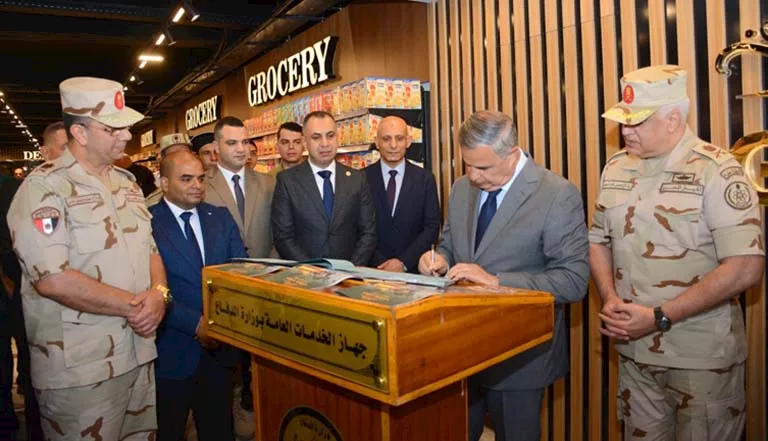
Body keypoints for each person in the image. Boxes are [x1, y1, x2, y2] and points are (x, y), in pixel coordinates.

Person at [590, 65, 765, 440]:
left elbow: (746, 267)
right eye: (623, 120)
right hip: (635, 354)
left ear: (672, 119)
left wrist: (659, 317)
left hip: (700, 359)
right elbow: (598, 240)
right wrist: (610, 298)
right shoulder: (616, 167)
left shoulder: (716, 170)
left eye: (637, 122)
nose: (625, 131)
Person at [7, 77, 170, 440]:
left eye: (125, 126)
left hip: (138, 353)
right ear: (79, 133)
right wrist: (137, 307)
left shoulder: (127, 183)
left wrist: (160, 294)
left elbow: (151, 251)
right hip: (81, 370)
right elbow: (53, 279)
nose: (126, 135)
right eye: (113, 128)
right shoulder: (44, 187)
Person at [418, 110, 589, 441]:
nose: (473, 175)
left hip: (519, 359)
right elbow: (450, 245)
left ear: (512, 154)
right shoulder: (461, 188)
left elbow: (573, 281)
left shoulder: (556, 194)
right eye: (467, 164)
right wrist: (439, 259)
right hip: (459, 349)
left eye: (483, 167)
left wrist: (496, 281)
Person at [150, 151, 247, 441]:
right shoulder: (147, 222)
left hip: (219, 351)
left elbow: (238, 271)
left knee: (219, 430)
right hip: (171, 350)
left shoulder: (220, 217)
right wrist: (195, 323)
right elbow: (148, 286)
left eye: (201, 178)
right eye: (186, 179)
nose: (197, 185)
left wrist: (218, 322)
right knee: (169, 430)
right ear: (164, 183)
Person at [203, 116, 275, 438]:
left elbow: (278, 232)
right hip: (223, 291)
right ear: (216, 148)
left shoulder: (268, 183)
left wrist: (271, 271)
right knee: (223, 368)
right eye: (232, 143)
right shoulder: (201, 185)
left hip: (264, 285)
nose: (241, 149)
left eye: (245, 142)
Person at [272, 111, 377, 266]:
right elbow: (283, 236)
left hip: (349, 273)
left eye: (330, 135)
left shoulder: (357, 179)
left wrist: (351, 268)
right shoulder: (287, 181)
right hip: (305, 274)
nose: (325, 143)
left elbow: (368, 232)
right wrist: (311, 270)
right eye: (316, 137)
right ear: (305, 142)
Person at [365, 116, 440, 272]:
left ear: (408, 141)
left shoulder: (424, 179)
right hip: (373, 270)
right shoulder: (361, 179)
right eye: (386, 139)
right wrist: (381, 263)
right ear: (377, 142)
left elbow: (431, 227)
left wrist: (403, 262)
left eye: (399, 138)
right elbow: (356, 228)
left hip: (414, 271)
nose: (393, 145)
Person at [146, 133, 192, 207]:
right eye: (173, 155)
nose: (182, 158)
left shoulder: (208, 186)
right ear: (163, 159)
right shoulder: (153, 202)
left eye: (185, 153)